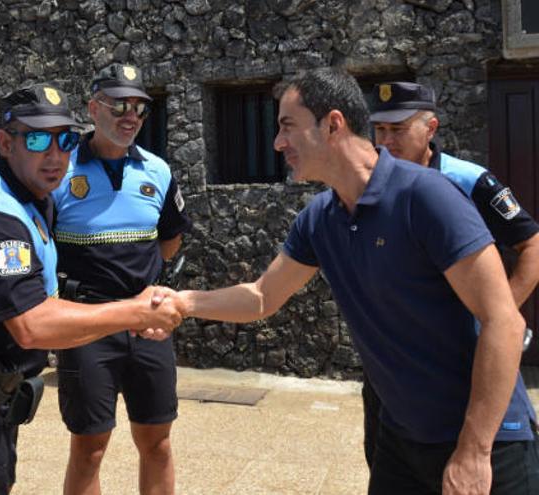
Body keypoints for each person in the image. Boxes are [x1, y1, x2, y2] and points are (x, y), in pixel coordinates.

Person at [169, 67, 539, 494]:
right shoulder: (319, 219)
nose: (277, 143)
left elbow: (504, 322)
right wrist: (183, 302)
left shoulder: (427, 197)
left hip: (486, 440)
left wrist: (474, 452)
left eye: (288, 126)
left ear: (333, 124)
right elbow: (260, 297)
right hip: (402, 436)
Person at [0, 82, 183, 495]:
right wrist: (138, 312)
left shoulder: (30, 197)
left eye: (66, 139)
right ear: (5, 142)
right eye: (38, 138)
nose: (55, 154)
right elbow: (32, 325)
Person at [360, 80, 539, 468]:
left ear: (431, 128)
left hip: (457, 355)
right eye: (380, 130)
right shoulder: (367, 187)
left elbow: (533, 246)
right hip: (391, 361)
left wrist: (492, 319)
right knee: (387, 461)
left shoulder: (468, 180)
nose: (386, 142)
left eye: (398, 130)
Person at [51, 63, 191, 495]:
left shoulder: (158, 171)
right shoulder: (59, 170)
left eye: (139, 108)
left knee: (158, 442)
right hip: (86, 323)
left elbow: (170, 238)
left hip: (148, 323)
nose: (130, 116)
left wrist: (148, 291)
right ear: (93, 108)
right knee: (90, 448)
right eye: (119, 106)